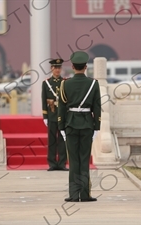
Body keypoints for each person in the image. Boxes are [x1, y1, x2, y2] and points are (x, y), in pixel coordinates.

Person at [58, 51, 101, 202]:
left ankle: (74, 195)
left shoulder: (65, 83)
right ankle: (85, 194)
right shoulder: (93, 84)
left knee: (74, 161)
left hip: (70, 124)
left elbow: (61, 108)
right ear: (85, 66)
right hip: (87, 124)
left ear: (72, 66)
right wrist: (97, 127)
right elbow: (97, 107)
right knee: (84, 159)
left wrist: (61, 127)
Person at [41, 59, 68, 171]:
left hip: (63, 116)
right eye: (55, 67)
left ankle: (62, 163)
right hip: (52, 115)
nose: (57, 70)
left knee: (62, 140)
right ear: (51, 68)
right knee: (52, 140)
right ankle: (52, 163)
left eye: (59, 68)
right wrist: (45, 116)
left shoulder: (65, 82)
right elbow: (43, 100)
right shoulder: (46, 83)